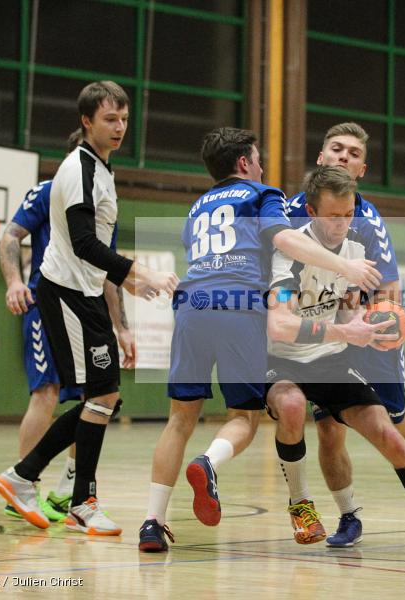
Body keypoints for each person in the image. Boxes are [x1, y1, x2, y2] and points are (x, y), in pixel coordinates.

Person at [138, 127, 382, 552]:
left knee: (178, 420)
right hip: (239, 307)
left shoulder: (197, 206)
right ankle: (208, 463)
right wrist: (345, 269)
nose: (264, 166)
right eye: (258, 158)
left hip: (192, 304)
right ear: (244, 164)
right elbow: (286, 239)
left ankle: (151, 523)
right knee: (243, 418)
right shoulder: (261, 194)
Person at [265, 166, 405, 556]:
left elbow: (347, 313)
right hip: (283, 362)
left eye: (349, 214)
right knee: (294, 405)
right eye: (333, 216)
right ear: (312, 212)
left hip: (329, 362)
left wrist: (376, 328)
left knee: (387, 432)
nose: (342, 223)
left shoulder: (355, 250)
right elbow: (280, 325)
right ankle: (301, 504)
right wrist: (346, 333)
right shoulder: (288, 252)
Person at [0, 80, 178, 536]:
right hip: (65, 294)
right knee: (97, 395)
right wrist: (142, 272)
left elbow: (95, 253)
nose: (119, 127)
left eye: (124, 119)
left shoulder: (101, 170)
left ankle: (40, 482)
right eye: (109, 119)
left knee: (104, 397)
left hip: (87, 294)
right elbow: (82, 243)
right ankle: (59, 491)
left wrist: (126, 284)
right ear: (86, 121)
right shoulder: (80, 170)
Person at [285, 122, 405, 547]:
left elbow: (390, 290)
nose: (343, 157)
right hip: (325, 337)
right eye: (336, 149)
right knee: (328, 427)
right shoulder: (290, 211)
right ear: (320, 158)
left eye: (353, 153)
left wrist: (374, 323)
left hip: (367, 333)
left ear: (363, 168)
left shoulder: (368, 220)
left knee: (389, 421)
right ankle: (349, 515)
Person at [0, 132, 135, 521]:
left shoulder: (104, 199)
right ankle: (22, 487)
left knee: (100, 397)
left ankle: (68, 488)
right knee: (47, 391)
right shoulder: (51, 189)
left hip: (86, 304)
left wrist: (122, 326)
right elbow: (10, 236)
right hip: (49, 300)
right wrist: (13, 282)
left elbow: (107, 266)